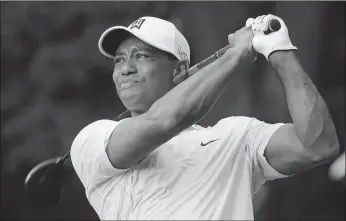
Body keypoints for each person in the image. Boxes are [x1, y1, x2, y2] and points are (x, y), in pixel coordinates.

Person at [70, 15, 340, 220]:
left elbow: (318, 146)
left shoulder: (236, 138)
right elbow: (165, 121)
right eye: (119, 60)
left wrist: (279, 50)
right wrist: (236, 55)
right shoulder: (93, 139)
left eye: (141, 56)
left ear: (179, 71)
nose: (126, 69)